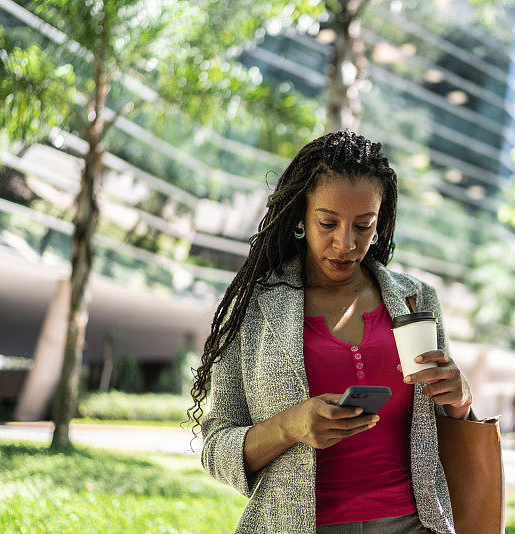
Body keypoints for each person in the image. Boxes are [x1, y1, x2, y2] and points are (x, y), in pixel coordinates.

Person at [188, 129, 477, 534]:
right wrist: (290, 425)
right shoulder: (256, 307)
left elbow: (445, 428)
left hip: (416, 524)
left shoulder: (416, 299)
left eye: (363, 225)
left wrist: (461, 400)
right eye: (328, 223)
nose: (345, 242)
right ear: (301, 217)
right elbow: (216, 447)